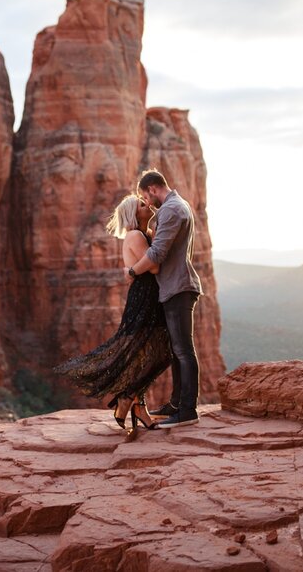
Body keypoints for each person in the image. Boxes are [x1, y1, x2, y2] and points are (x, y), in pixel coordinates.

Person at [54, 194, 171, 434]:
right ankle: (127, 397)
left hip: (148, 296)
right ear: (133, 214)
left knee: (145, 355)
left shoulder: (142, 234)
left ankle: (139, 408)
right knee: (162, 353)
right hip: (144, 297)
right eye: (141, 204)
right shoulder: (136, 235)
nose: (146, 205)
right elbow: (155, 266)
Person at [125, 169, 203, 428]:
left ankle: (188, 410)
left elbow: (157, 253)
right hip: (175, 287)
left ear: (152, 190)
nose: (146, 202)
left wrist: (133, 271)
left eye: (145, 197)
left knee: (183, 350)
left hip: (178, 288)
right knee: (177, 350)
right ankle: (177, 404)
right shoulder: (175, 207)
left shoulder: (171, 209)